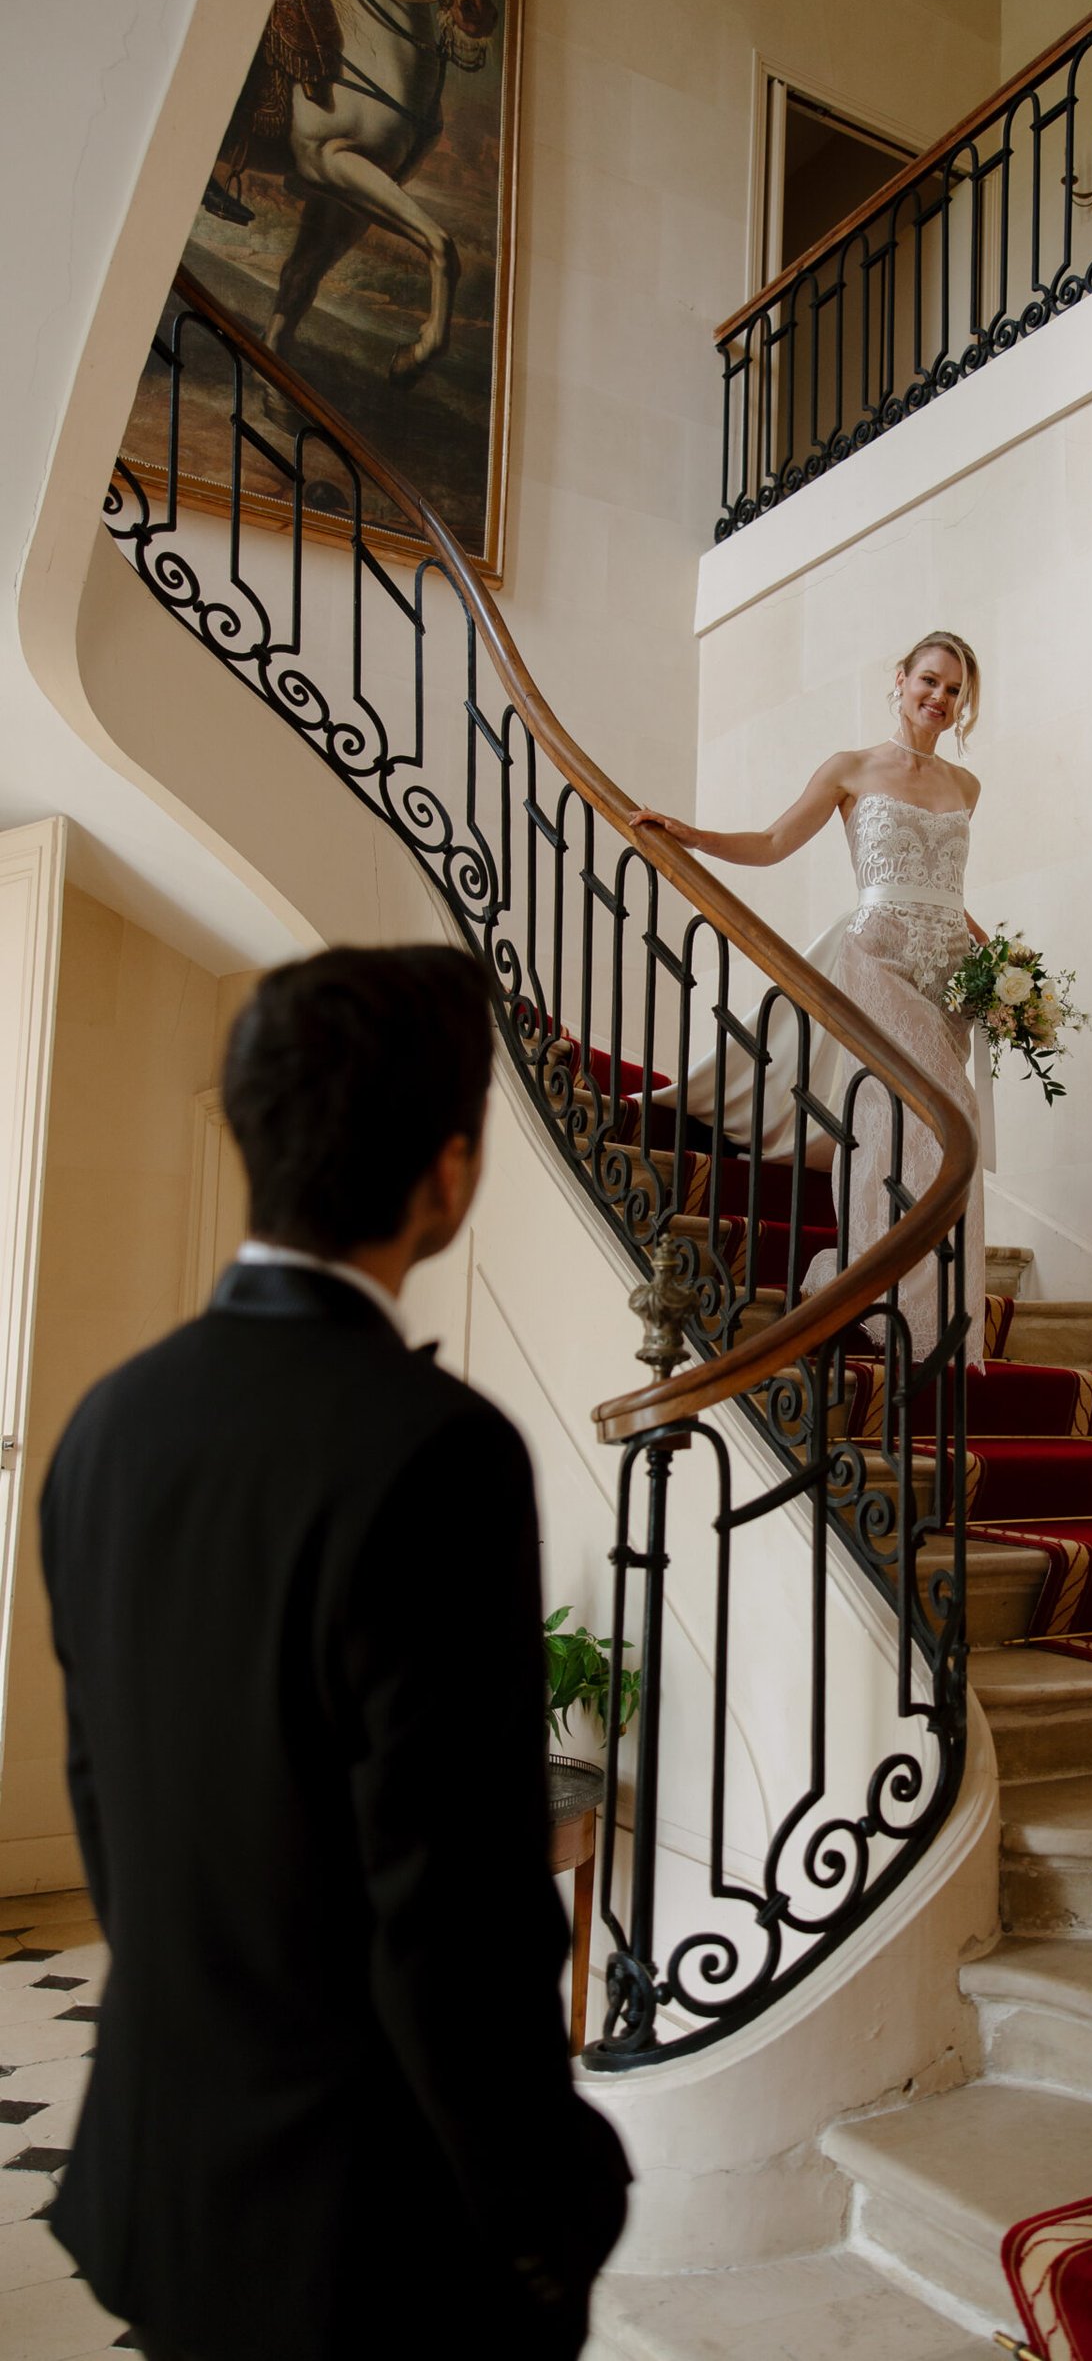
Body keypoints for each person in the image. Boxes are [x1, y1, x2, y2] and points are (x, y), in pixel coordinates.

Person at [40, 945, 630, 2361]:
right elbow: (453, 1914)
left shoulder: (107, 1422)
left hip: (167, 2171)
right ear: (448, 1175)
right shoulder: (437, 1452)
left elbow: (107, 1805)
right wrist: (547, 2211)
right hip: (369, 2229)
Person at [631, 632, 987, 1367]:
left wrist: (1006, 970)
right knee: (914, 1117)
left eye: (953, 690)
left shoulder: (966, 787)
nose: (939, 699)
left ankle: (925, 1313)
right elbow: (771, 840)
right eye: (928, 680)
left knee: (951, 1125)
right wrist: (689, 835)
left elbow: (949, 895)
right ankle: (872, 1287)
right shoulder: (851, 768)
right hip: (875, 959)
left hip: (945, 976)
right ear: (899, 679)